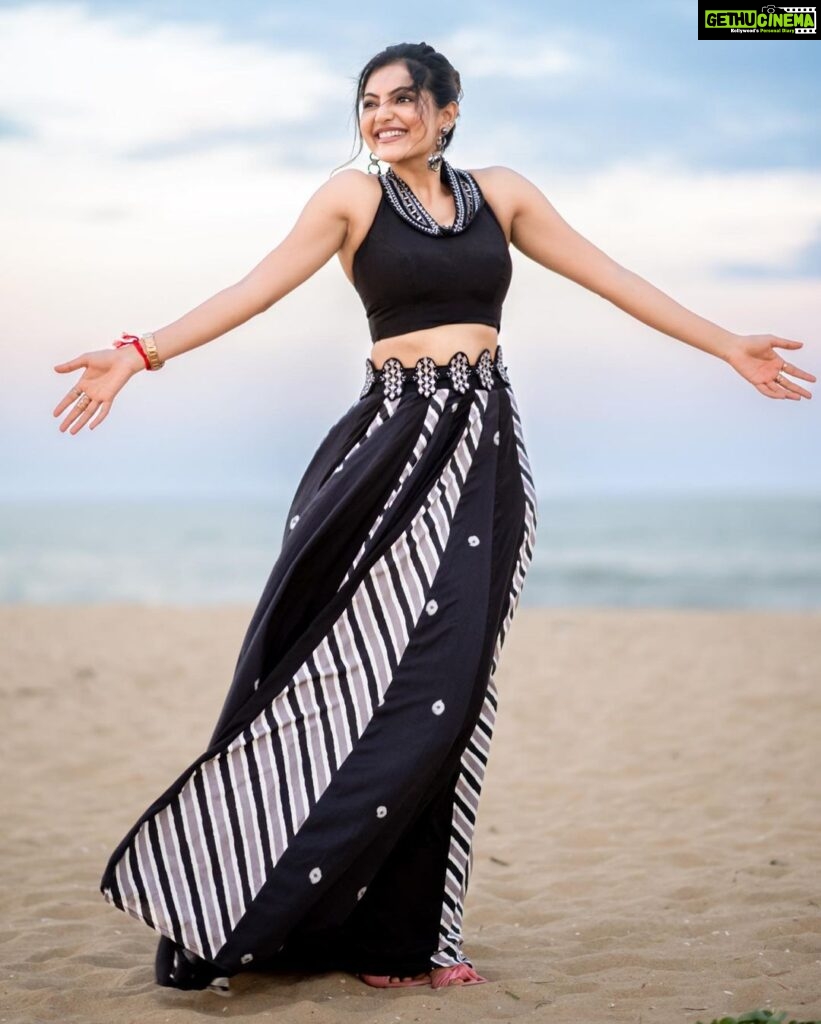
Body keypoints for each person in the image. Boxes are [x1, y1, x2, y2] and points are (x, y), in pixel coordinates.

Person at [52, 42, 813, 995]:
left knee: (456, 690)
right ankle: (294, 907)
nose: (384, 116)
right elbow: (254, 287)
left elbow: (612, 278)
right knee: (366, 686)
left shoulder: (502, 194)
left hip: (486, 455)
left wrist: (724, 344)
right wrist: (140, 351)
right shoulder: (350, 200)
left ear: (448, 110)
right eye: (369, 103)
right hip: (390, 457)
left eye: (404, 99)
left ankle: (406, 937)